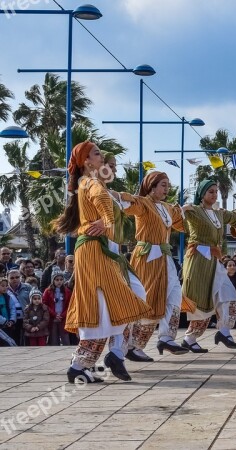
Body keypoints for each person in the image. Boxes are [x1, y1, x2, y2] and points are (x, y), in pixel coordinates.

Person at [55, 141, 152, 383]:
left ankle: (94, 361)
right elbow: (102, 200)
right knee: (103, 305)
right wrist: (107, 221)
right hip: (94, 250)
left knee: (114, 303)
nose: (102, 158)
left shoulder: (87, 183)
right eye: (97, 154)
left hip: (99, 251)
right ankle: (82, 364)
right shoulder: (90, 182)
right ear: (87, 162)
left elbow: (113, 199)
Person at [118, 170, 189, 360]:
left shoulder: (166, 207)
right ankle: (132, 346)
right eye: (163, 185)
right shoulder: (144, 204)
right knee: (149, 300)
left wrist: (190, 210)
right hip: (147, 257)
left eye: (168, 185)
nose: (167, 188)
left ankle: (166, 337)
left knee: (174, 296)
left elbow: (182, 224)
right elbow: (127, 204)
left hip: (165, 257)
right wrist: (114, 195)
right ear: (152, 186)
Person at [180, 179, 236, 352]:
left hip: (215, 261)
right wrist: (182, 209)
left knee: (228, 295)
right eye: (211, 191)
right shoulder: (194, 210)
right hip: (199, 260)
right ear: (201, 194)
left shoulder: (219, 214)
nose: (215, 194)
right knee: (201, 300)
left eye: (216, 191)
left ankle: (224, 332)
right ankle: (190, 338)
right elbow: (175, 216)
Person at [42, 273, 72, 346]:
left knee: (65, 337)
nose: (59, 282)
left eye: (61, 280)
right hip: (52, 318)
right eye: (57, 280)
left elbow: (70, 305)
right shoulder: (48, 291)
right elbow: (45, 304)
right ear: (53, 280)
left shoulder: (67, 291)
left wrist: (62, 315)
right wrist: (54, 314)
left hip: (63, 318)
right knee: (53, 338)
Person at [0, 278, 17, 346]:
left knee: (9, 342)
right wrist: (4, 321)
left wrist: (12, 320)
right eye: (2, 286)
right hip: (2, 325)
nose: (5, 287)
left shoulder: (8, 297)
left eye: (6, 286)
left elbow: (13, 309)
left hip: (8, 325)